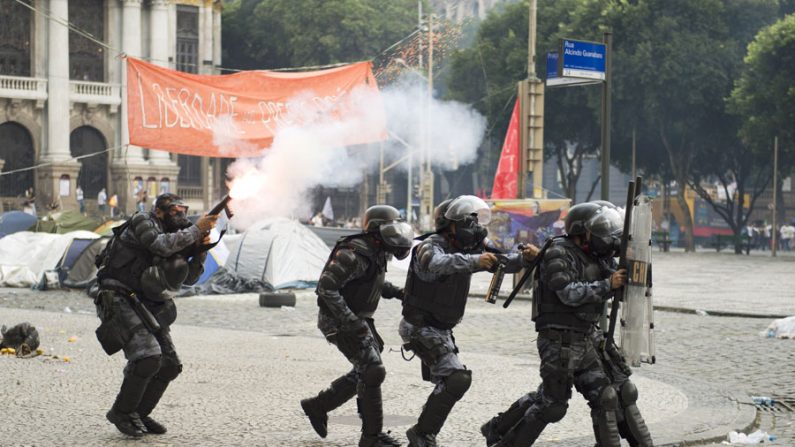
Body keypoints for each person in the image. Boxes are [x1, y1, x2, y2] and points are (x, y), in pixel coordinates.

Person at [481, 201, 654, 447]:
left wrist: (634, 269)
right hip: (559, 340)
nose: (606, 240)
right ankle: (502, 437)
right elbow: (568, 293)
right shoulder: (559, 252)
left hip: (587, 337)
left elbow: (621, 286)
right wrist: (609, 284)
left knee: (610, 395)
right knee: (552, 405)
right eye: (600, 233)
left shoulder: (597, 256)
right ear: (582, 233)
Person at [399, 195, 539, 447]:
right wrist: (476, 261)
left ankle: (423, 435)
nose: (475, 227)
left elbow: (501, 261)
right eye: (468, 221)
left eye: (476, 221)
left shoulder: (470, 248)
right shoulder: (430, 246)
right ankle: (421, 435)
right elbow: (436, 264)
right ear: (450, 225)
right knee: (456, 377)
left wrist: (526, 258)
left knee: (453, 380)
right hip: (419, 326)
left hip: (441, 328)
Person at [93, 193, 217, 437]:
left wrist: (200, 250)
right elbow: (159, 244)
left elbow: (189, 279)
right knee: (147, 356)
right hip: (118, 295)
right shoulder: (143, 221)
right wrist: (195, 231)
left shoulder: (177, 238)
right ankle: (122, 411)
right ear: (159, 211)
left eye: (184, 210)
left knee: (169, 365)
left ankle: (139, 412)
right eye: (174, 211)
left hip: (147, 302)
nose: (181, 215)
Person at [301, 205, 412, 447]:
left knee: (366, 370)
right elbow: (326, 288)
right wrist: (350, 322)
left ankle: (318, 406)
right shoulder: (352, 252)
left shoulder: (377, 251)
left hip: (358, 319)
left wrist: (397, 292)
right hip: (338, 321)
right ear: (376, 229)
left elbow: (368, 280)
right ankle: (371, 438)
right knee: (372, 370)